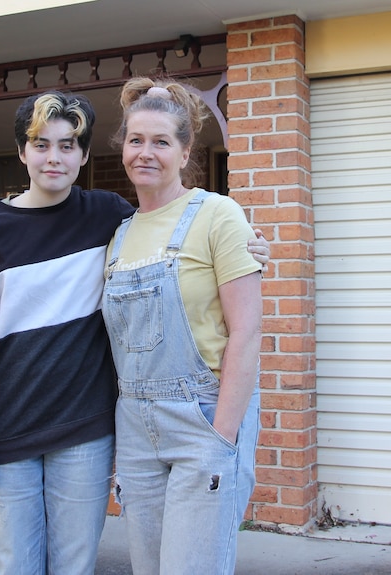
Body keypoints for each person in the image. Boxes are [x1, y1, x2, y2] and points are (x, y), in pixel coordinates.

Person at [0, 90, 269, 575]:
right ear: (21, 151)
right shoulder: (3, 231)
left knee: (85, 565)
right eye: (40, 144)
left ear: (83, 154)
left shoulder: (110, 215)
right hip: (34, 428)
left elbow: (236, 313)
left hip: (99, 430)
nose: (53, 157)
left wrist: (251, 248)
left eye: (67, 145)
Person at [101, 76, 264, 575]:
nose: (144, 153)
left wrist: (223, 435)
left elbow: (248, 331)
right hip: (134, 425)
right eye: (135, 140)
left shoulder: (218, 215)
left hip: (202, 417)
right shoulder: (118, 233)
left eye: (160, 142)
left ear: (185, 148)